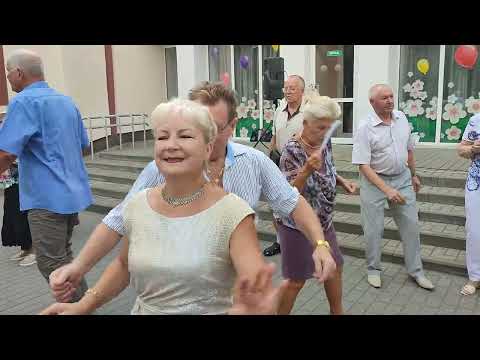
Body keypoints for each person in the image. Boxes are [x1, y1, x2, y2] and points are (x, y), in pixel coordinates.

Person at [48, 82, 336, 303]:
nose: (204, 136)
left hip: (233, 294)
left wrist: (321, 246)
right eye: (193, 128)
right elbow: (118, 222)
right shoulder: (159, 170)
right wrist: (79, 268)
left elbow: (293, 203)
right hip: (172, 290)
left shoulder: (254, 162)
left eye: (214, 128)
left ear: (232, 125)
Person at [0, 49, 93, 301]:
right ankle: (84, 304)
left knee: (51, 264)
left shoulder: (23, 102)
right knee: (63, 258)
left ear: (18, 73)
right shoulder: (65, 101)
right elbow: (83, 144)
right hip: (71, 194)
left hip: (46, 199)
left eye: (8, 73)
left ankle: (81, 307)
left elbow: (6, 153)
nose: (7, 79)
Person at [276, 93, 357, 315]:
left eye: (328, 128)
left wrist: (341, 181)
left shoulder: (325, 140)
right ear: (305, 123)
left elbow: (328, 168)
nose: (324, 133)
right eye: (320, 128)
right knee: (295, 281)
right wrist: (307, 169)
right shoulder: (291, 151)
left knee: (336, 266)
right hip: (296, 226)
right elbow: (288, 195)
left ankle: (337, 311)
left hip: (324, 221)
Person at [351, 84, 434, 290]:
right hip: (374, 182)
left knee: (411, 226)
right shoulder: (364, 127)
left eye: (391, 96)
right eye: (384, 97)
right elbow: (363, 165)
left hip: (402, 179)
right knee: (373, 229)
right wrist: (386, 189)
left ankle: (416, 271)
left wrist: (414, 175)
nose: (390, 100)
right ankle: (373, 270)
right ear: (372, 102)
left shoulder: (402, 118)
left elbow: (409, 150)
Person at [264, 75, 306, 257]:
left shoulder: (310, 112)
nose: (288, 91)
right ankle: (281, 241)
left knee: (297, 205)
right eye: (286, 88)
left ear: (302, 91)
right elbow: (275, 136)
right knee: (275, 205)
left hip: (300, 166)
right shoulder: (279, 110)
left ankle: (302, 242)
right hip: (278, 163)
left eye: (292, 88)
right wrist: (268, 157)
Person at [457, 114, 480, 295]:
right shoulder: (476, 120)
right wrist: (473, 148)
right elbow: (461, 149)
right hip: (476, 183)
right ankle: (475, 277)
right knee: (474, 230)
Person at [1, 161, 36, 266]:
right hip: (11, 174)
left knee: (26, 212)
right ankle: (26, 247)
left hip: (26, 172)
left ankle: (35, 251)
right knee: (13, 212)